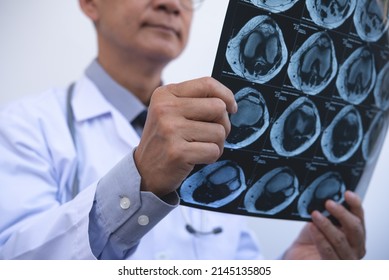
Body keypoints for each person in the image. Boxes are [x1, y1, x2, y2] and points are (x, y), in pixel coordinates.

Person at [0, 0, 366, 260]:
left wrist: (293, 267)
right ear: (89, 3)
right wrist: (139, 180)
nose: (171, 4)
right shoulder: (23, 128)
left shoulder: (220, 133)